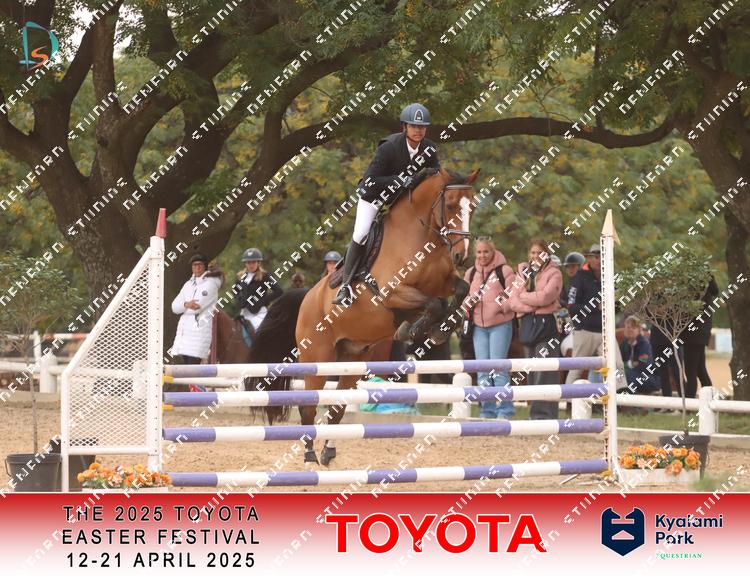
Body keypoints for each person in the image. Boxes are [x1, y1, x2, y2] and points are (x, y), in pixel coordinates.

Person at [332, 103, 440, 305]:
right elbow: (369, 180)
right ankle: (345, 286)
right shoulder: (389, 147)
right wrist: (399, 180)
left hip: (400, 200)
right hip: (374, 197)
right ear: (404, 127)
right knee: (361, 233)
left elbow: (436, 175)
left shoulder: (429, 149)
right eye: (414, 126)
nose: (418, 130)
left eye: (422, 127)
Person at [461, 236, 516, 419]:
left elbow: (513, 296)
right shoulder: (470, 273)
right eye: (479, 252)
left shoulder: (505, 271)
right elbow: (463, 300)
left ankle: (506, 410)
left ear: (493, 251)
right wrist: (469, 302)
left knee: (498, 369)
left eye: (486, 251)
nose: (482, 255)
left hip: (500, 325)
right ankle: (487, 411)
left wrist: (499, 307)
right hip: (478, 327)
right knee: (483, 370)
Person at [508, 238, 562, 420]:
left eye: (540, 252)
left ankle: (545, 416)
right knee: (531, 372)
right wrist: (532, 305)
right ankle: (535, 415)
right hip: (528, 326)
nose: (536, 256)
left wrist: (524, 297)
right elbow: (512, 301)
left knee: (544, 372)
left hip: (547, 328)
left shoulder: (555, 273)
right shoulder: (522, 273)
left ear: (547, 253)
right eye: (533, 252)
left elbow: (546, 297)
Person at [565, 244, 626, 388]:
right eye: (596, 257)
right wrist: (595, 306)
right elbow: (572, 307)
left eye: (602, 257)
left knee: (617, 365)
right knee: (576, 370)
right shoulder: (579, 277)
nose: (599, 260)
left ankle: (621, 398)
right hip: (584, 331)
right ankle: (568, 399)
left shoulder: (612, 278)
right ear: (589, 259)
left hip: (606, 331)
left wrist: (616, 304)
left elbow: (618, 307)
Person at [170, 253, 222, 364]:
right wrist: (186, 304)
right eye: (194, 265)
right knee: (187, 370)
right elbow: (174, 307)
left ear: (205, 266)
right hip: (184, 335)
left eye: (200, 265)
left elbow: (197, 307)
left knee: (193, 369)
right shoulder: (188, 285)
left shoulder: (211, 284)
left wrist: (183, 306)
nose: (197, 268)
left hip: (199, 335)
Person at [680, 274, 720, 398]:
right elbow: (715, 290)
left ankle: (688, 403)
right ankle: (710, 400)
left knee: (690, 371)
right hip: (700, 332)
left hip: (694, 333)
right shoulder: (706, 289)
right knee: (700, 370)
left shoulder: (695, 288)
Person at [234, 248, 283, 335]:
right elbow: (235, 291)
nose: (251, 265)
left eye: (253, 262)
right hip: (244, 312)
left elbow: (279, 291)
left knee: (258, 334)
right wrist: (239, 300)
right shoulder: (240, 277)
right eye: (248, 262)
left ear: (258, 263)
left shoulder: (265, 276)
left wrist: (264, 300)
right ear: (245, 263)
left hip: (259, 313)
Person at [619, 316, 657, 393]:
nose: (630, 329)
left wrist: (626, 366)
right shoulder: (624, 344)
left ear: (639, 330)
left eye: (633, 327)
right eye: (628, 327)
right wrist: (631, 364)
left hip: (649, 377)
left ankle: (633, 400)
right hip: (633, 375)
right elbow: (619, 363)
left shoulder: (644, 344)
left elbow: (644, 365)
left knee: (625, 375)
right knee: (618, 375)